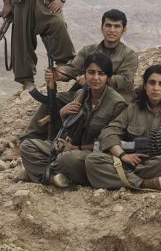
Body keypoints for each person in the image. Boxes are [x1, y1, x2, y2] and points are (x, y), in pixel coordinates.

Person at [18, 9, 138, 141]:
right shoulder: (89, 50)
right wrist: (57, 74)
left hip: (115, 100)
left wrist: (92, 79)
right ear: (102, 27)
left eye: (117, 26)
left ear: (123, 30)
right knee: (54, 101)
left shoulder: (129, 55)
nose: (112, 30)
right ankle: (30, 139)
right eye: (108, 25)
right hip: (87, 95)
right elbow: (72, 69)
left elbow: (125, 80)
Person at [19, 52, 128, 186]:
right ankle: (54, 177)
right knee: (27, 147)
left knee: (68, 159)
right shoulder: (80, 94)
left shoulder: (117, 104)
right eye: (91, 72)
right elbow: (70, 131)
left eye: (101, 74)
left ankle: (39, 173)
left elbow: (112, 144)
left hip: (94, 155)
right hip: (71, 148)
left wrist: (76, 147)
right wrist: (62, 116)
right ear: (85, 74)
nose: (95, 78)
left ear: (108, 77)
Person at [85, 65, 161, 191]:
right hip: (131, 164)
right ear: (145, 86)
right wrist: (123, 155)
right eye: (152, 83)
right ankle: (143, 184)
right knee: (92, 160)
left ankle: (128, 181)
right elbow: (108, 133)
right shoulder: (132, 109)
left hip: (160, 165)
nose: (156, 88)